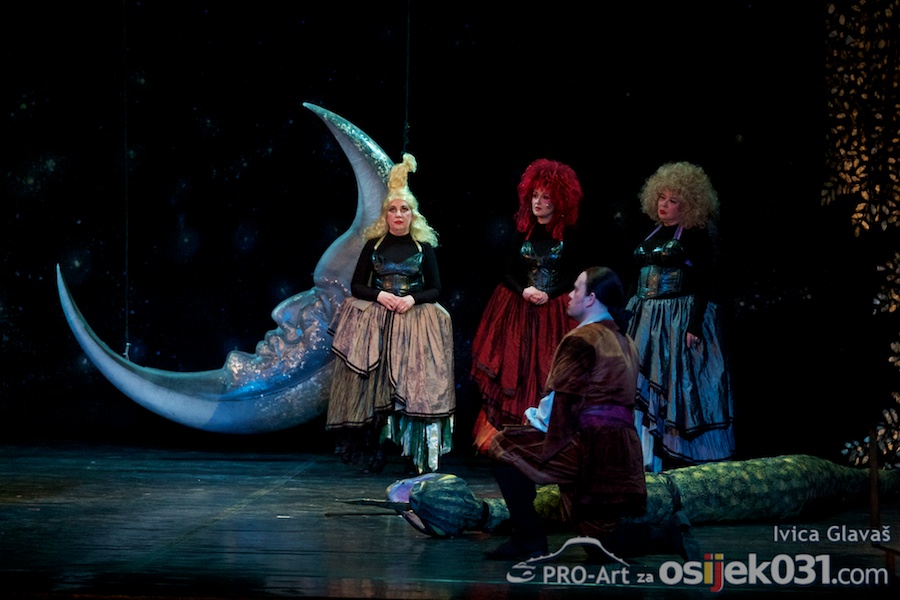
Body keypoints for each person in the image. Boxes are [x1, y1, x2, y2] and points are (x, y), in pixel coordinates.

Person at [485, 267, 691, 562]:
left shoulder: (582, 339)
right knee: (601, 543)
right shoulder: (624, 340)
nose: (570, 295)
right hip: (620, 451)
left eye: (576, 289)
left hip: (588, 447)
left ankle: (527, 538)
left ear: (592, 298)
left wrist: (533, 423)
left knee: (503, 446)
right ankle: (666, 535)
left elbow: (563, 403)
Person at [326, 153, 455, 475]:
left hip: (414, 322)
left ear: (413, 214)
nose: (399, 214)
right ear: (386, 214)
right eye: (393, 209)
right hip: (379, 322)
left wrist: (411, 299)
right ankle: (377, 448)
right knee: (377, 384)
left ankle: (412, 454)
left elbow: (436, 288)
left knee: (412, 386)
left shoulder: (423, 248)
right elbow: (357, 285)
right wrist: (381, 295)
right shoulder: (374, 245)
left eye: (404, 209)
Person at [470, 158, 585, 453]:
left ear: (558, 201)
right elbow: (506, 270)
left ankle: (547, 438)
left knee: (550, 370)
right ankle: (514, 439)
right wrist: (524, 290)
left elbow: (575, 273)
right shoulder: (522, 230)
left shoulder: (570, 234)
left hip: (556, 311)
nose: (538, 202)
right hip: (519, 309)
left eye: (545, 197)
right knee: (516, 370)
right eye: (534, 196)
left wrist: (551, 293)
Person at [626, 161, 735, 473]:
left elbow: (705, 281)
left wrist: (694, 324)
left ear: (688, 204)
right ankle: (643, 456)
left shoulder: (696, 235)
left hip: (677, 317)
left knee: (675, 382)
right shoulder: (653, 232)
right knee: (640, 380)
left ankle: (673, 455)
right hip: (645, 314)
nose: (664, 204)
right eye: (661, 197)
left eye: (673, 200)